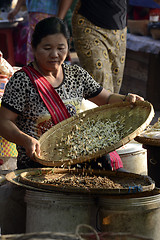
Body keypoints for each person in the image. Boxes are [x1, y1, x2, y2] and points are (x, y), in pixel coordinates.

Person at [0, 16, 144, 235]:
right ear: (33, 47)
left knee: (122, 184)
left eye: (61, 47)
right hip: (38, 161)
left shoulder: (75, 74)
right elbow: (3, 122)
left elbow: (104, 98)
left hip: (79, 156)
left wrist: (126, 99)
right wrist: (25, 140)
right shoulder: (22, 81)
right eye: (47, 48)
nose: (55, 54)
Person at [58, 0, 128, 94]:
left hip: (119, 30)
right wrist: (59, 20)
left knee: (115, 89)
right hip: (90, 24)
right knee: (100, 82)